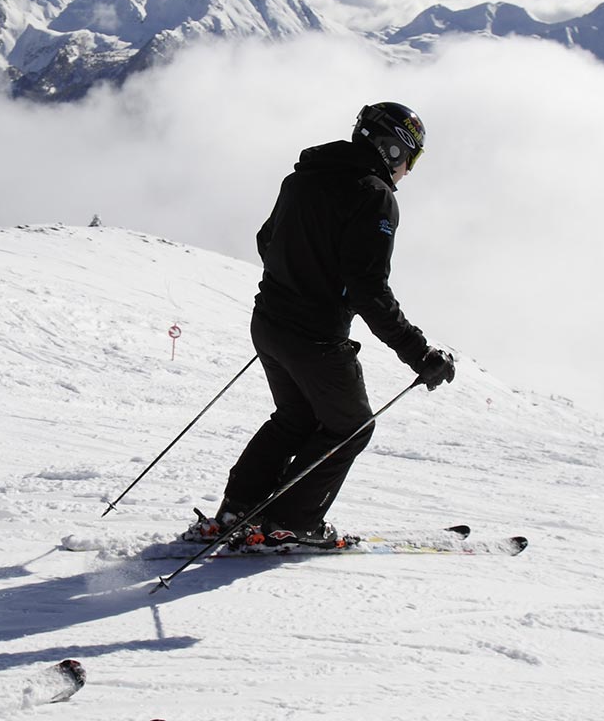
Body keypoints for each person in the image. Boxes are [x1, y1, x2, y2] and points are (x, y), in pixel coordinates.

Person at [190, 102, 456, 549]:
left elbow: (266, 240)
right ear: (393, 150)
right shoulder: (373, 196)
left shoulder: (302, 177)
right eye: (413, 158)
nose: (410, 170)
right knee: (352, 426)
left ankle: (238, 510)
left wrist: (299, 279)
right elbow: (369, 291)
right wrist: (419, 354)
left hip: (269, 323)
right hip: (314, 337)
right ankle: (290, 523)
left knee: (295, 417)